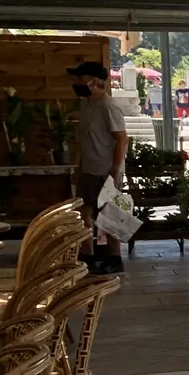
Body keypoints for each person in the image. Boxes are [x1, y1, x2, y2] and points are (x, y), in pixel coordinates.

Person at [68, 61, 128, 275]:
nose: (76, 82)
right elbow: (86, 141)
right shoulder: (87, 105)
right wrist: (79, 166)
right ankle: (88, 256)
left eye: (80, 78)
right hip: (89, 169)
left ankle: (115, 258)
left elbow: (121, 139)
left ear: (93, 81)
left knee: (110, 215)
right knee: (84, 214)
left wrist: (114, 170)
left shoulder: (108, 106)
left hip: (106, 170)